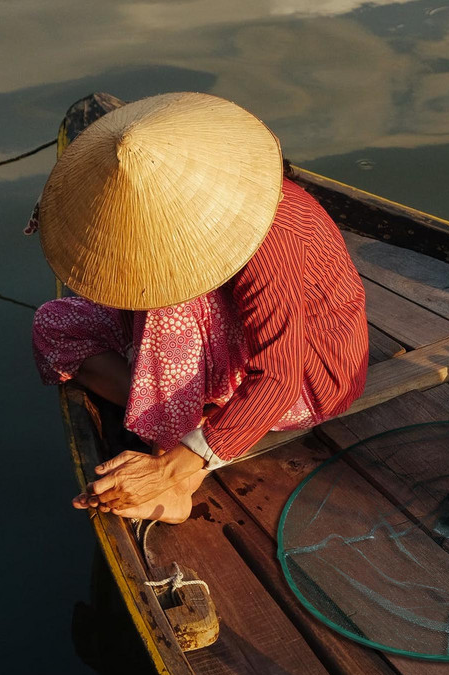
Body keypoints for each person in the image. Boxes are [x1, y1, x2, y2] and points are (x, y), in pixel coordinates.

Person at [31, 92, 368, 523]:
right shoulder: (182, 227)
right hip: (235, 349)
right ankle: (183, 409)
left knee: (167, 304)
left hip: (310, 374)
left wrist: (168, 469)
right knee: (55, 322)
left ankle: (175, 476)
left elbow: (279, 379)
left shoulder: (270, 235)